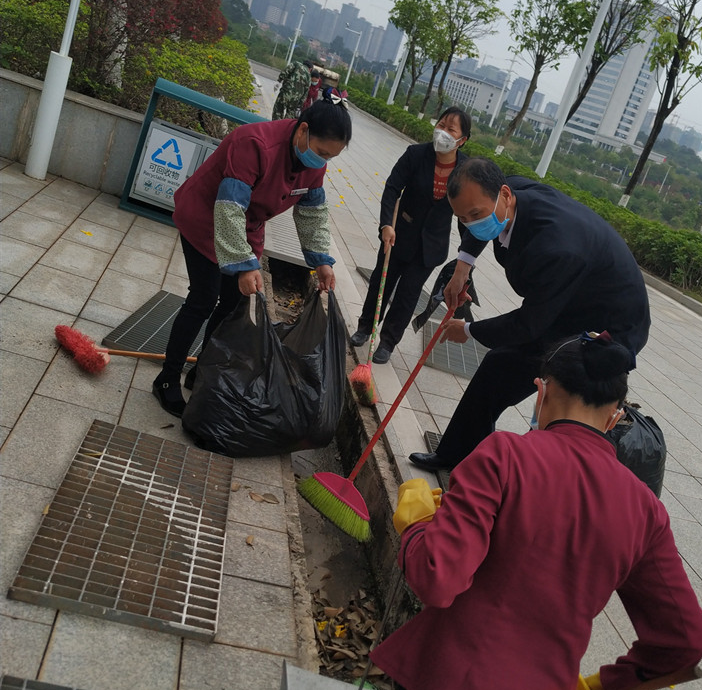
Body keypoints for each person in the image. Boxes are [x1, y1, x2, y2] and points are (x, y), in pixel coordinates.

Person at [372, 331, 702, 690]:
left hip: (445, 689)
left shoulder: (505, 454)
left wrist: (416, 524)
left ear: (542, 390)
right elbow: (685, 642)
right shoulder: (645, 511)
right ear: (615, 414)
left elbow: (437, 577)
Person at [409, 156, 651, 471]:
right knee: (497, 367)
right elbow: (476, 222)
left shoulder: (555, 247)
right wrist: (462, 267)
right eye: (462, 218)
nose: (470, 223)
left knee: (559, 406)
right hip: (567, 303)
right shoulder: (510, 192)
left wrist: (468, 331)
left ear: (505, 195)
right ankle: (459, 456)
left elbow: (529, 324)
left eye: (477, 215)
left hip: (606, 328)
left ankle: (533, 487)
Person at [152, 97, 352, 417]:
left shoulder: (313, 165)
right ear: (303, 131)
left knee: (232, 304)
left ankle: (202, 370)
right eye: (323, 152)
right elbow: (229, 208)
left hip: (247, 227)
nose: (323, 161)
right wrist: (244, 265)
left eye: (331, 157)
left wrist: (322, 261)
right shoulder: (254, 143)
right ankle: (167, 379)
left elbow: (312, 214)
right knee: (204, 298)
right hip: (206, 217)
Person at [350, 108, 471, 364]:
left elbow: (466, 217)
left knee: (408, 294)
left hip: (431, 246)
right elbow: (393, 187)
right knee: (380, 283)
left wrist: (466, 259)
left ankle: (388, 342)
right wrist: (386, 225)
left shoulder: (466, 170)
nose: (443, 132)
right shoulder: (416, 155)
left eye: (451, 129)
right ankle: (365, 328)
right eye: (441, 124)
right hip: (398, 235)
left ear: (463, 140)